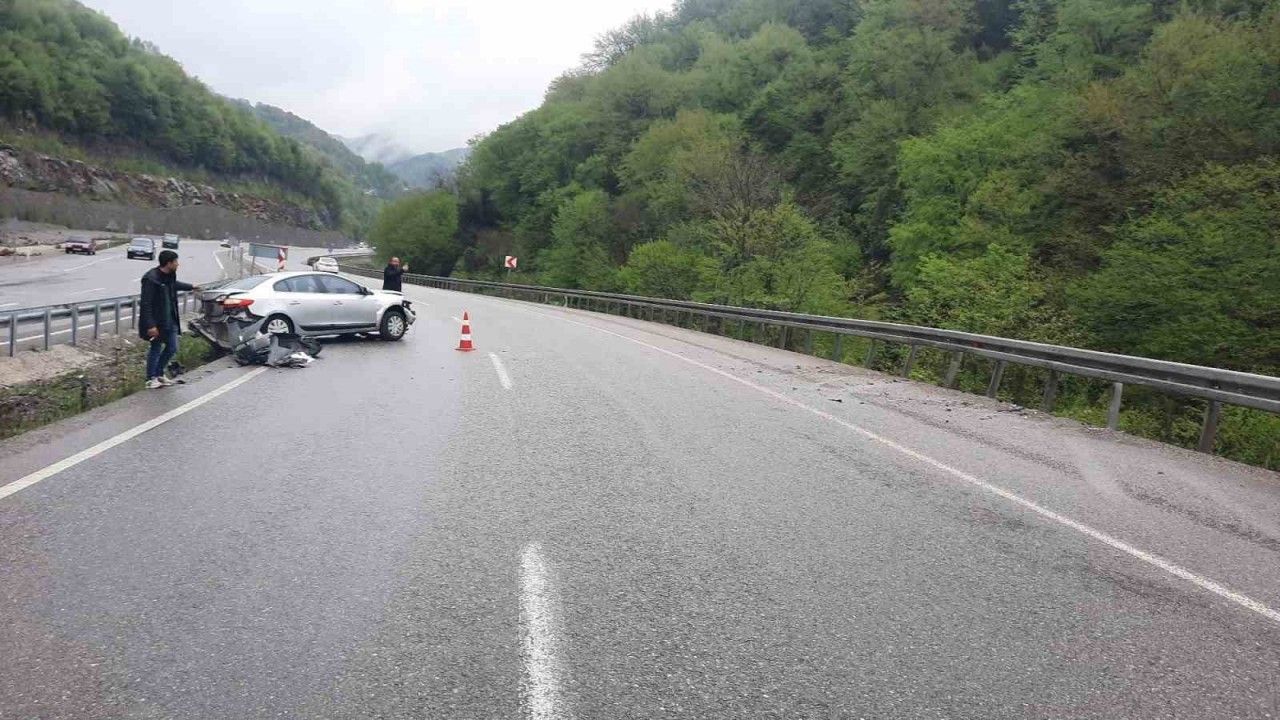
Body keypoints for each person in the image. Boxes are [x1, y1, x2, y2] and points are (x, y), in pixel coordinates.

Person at [139, 250, 198, 389]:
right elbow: (146, 304)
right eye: (176, 261)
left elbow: (174, 285)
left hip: (170, 319)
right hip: (157, 321)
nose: (178, 264)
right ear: (168, 263)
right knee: (156, 347)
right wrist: (151, 325)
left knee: (172, 347)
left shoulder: (169, 276)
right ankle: (151, 378)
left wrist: (191, 287)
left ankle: (159, 373)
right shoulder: (151, 279)